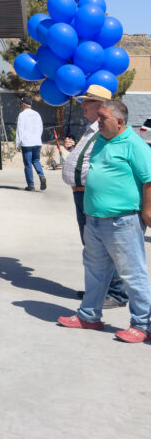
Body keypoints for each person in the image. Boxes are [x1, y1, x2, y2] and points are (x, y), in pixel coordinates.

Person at [58, 99, 151, 342]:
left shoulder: (134, 144)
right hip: (95, 220)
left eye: (103, 118)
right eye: (98, 116)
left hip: (123, 222)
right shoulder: (100, 140)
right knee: (95, 272)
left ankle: (143, 325)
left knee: (132, 275)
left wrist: (148, 212)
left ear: (120, 121)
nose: (97, 121)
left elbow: (149, 180)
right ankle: (89, 316)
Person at [62, 83, 127, 308]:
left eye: (86, 102)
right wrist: (71, 152)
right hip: (82, 193)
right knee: (92, 247)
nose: (82, 107)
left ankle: (115, 293)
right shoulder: (93, 128)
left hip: (91, 195)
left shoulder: (105, 131)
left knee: (102, 246)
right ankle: (99, 290)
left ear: (99, 105)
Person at [15, 98, 47, 191]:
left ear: (24, 105)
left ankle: (31, 185)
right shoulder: (37, 114)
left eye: (21, 104)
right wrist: (37, 138)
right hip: (37, 142)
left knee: (28, 164)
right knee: (36, 160)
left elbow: (19, 130)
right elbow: (41, 128)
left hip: (27, 143)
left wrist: (17, 143)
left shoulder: (22, 115)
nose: (20, 105)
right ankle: (41, 176)